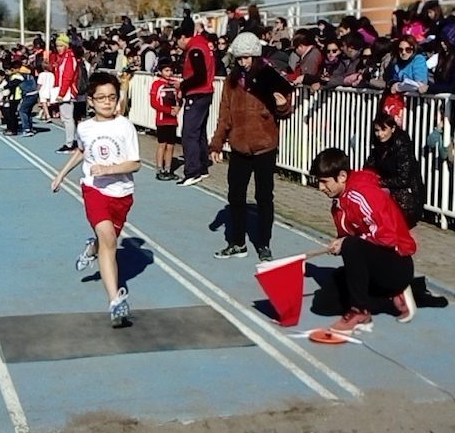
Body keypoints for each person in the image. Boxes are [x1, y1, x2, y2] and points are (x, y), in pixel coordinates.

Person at [50, 72, 141, 328]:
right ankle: (115, 301)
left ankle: (93, 247)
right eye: (101, 98)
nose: (107, 102)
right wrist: (61, 174)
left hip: (122, 194)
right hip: (94, 190)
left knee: (105, 243)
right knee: (109, 241)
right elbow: (82, 151)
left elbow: (135, 163)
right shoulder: (85, 127)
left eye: (112, 97)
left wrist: (109, 169)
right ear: (90, 101)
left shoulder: (125, 126)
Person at [310, 147, 417, 335]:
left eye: (324, 181)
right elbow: (352, 238)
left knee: (351, 245)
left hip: (396, 262)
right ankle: (388, 297)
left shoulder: (363, 194)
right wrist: (340, 241)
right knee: (322, 304)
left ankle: (361, 310)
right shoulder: (339, 203)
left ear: (342, 176)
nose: (320, 187)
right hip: (373, 265)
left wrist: (347, 242)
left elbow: (388, 237)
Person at [208, 32, 293, 261]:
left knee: (264, 197)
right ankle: (237, 243)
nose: (243, 62)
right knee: (235, 196)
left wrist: (283, 107)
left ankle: (264, 244)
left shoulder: (269, 78)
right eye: (239, 58)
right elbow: (224, 115)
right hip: (239, 147)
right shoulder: (231, 82)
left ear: (256, 56)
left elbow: (284, 110)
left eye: (247, 57)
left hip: (265, 146)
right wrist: (216, 144)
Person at [171, 17, 215, 186]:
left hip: (197, 94)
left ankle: (192, 171)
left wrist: (182, 84)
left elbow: (199, 75)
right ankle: (202, 167)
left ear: (183, 37)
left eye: (177, 41)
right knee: (200, 132)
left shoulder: (195, 49)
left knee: (189, 133)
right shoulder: (203, 44)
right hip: (205, 93)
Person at [364, 113, 425, 228]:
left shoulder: (403, 147)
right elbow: (368, 168)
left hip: (407, 198)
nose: (380, 134)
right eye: (377, 130)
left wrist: (378, 182)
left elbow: (404, 179)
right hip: (389, 190)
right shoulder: (378, 147)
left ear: (392, 128)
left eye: (383, 130)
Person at [149, 62, 180, 180]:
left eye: (171, 70)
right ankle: (159, 169)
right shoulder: (157, 84)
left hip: (173, 120)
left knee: (171, 146)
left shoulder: (174, 84)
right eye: (166, 70)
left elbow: (179, 99)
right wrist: (168, 111)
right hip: (162, 119)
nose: (169, 73)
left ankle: (168, 169)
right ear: (161, 72)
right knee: (162, 144)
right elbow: (154, 103)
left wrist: (178, 107)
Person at [53, 35, 79, 153]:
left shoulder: (69, 58)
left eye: (61, 46)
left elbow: (68, 77)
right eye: (57, 46)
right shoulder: (61, 58)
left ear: (66, 45)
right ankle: (71, 141)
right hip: (62, 91)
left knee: (68, 118)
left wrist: (61, 93)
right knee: (65, 118)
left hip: (67, 92)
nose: (58, 48)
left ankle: (70, 144)